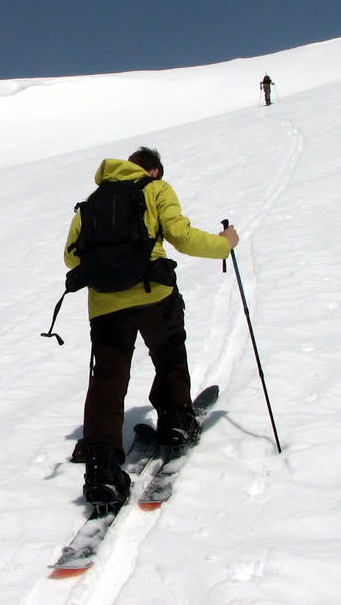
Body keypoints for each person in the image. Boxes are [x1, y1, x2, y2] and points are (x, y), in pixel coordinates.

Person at [63, 147, 238, 510]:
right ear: (154, 170)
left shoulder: (92, 201)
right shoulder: (155, 189)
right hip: (153, 292)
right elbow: (181, 235)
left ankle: (101, 472)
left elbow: (70, 256)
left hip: (105, 305)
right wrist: (224, 245)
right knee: (169, 351)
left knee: (108, 380)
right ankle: (175, 421)